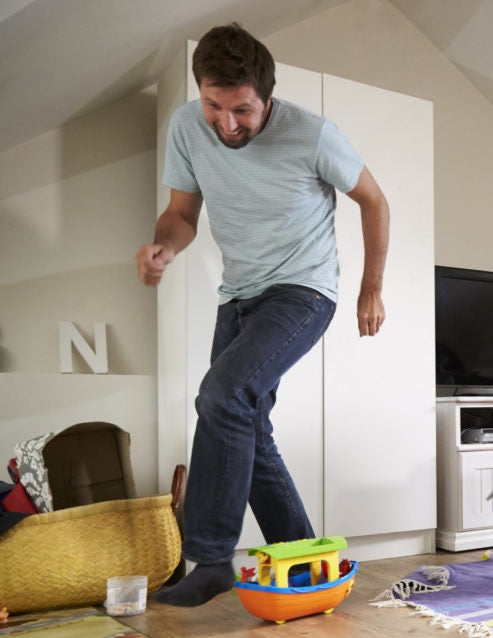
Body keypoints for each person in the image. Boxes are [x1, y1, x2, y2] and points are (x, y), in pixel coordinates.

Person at [134, 23, 390, 607]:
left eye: (242, 110)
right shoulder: (186, 127)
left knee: (221, 395)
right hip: (238, 295)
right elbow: (181, 214)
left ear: (267, 98)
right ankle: (307, 564)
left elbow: (374, 201)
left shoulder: (313, 135)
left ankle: (210, 559)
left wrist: (370, 289)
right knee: (246, 423)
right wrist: (164, 248)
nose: (227, 124)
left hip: (304, 292)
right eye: (214, 106)